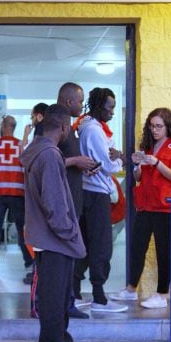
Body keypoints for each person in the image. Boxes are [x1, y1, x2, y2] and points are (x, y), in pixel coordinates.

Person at [21, 103, 89, 342]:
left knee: (57, 298)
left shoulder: (38, 150)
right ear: (63, 127)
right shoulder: (50, 155)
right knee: (52, 300)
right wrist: (70, 233)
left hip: (46, 236)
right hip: (54, 239)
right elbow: (55, 204)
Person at [110, 107, 171, 308]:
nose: (154, 130)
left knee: (164, 251)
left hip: (165, 206)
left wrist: (156, 163)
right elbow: (140, 178)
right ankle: (131, 289)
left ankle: (162, 294)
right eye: (151, 126)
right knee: (136, 247)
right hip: (145, 205)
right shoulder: (148, 146)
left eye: (159, 126)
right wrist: (137, 166)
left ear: (168, 127)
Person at [75, 87, 127, 313]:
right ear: (98, 106)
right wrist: (121, 160)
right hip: (96, 195)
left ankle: (76, 293)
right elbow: (106, 165)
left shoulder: (85, 127)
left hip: (86, 192)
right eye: (110, 107)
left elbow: (101, 158)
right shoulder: (94, 131)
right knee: (102, 246)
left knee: (84, 243)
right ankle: (99, 298)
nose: (112, 112)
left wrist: (112, 154)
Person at [53, 83, 97, 319]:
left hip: (74, 199)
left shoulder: (70, 127)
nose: (82, 106)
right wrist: (75, 162)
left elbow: (66, 159)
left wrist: (83, 166)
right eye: (80, 101)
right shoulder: (54, 126)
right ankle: (59, 305)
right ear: (69, 102)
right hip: (62, 203)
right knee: (61, 258)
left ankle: (68, 302)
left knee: (70, 256)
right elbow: (45, 159)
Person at [0, 115, 33, 278]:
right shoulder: (21, 145)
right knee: (22, 229)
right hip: (18, 194)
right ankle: (30, 262)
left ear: (3, 126)